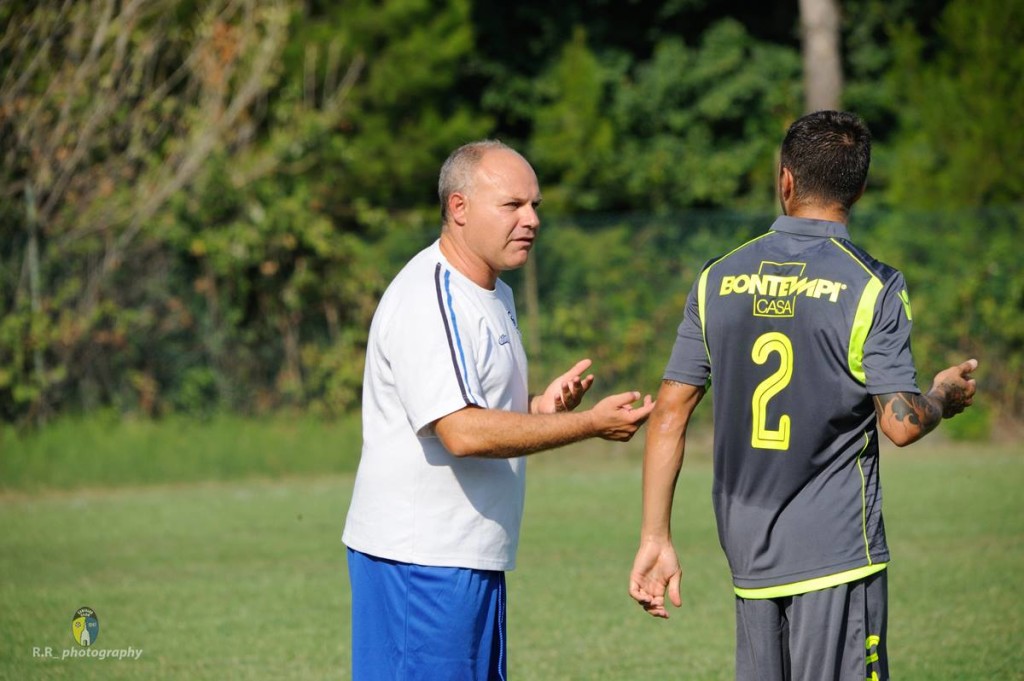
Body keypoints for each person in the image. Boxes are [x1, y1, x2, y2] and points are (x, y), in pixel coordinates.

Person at [628, 111, 977, 681]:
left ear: (785, 180)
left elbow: (669, 414)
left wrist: (655, 536)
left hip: (747, 552)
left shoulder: (717, 277)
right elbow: (902, 423)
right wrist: (939, 394)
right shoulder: (873, 284)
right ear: (859, 188)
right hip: (836, 551)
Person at [343, 139, 655, 680]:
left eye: (535, 205)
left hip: (468, 555)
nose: (531, 219)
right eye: (512, 206)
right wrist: (587, 425)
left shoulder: (493, 292)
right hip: (421, 560)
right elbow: (460, 431)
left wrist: (542, 408)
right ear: (458, 208)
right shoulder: (429, 296)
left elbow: (479, 408)